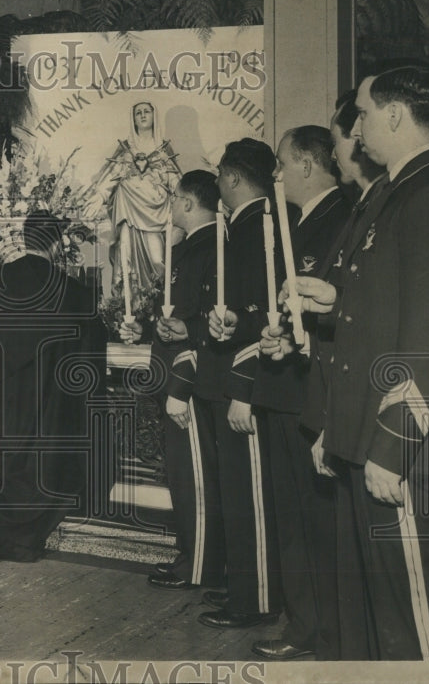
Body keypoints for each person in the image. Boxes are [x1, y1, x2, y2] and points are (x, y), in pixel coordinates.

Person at [287, 65, 429, 660]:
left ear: (395, 115)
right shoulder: (398, 191)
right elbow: (388, 310)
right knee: (381, 615)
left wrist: (392, 447)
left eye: (365, 113)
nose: (358, 125)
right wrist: (335, 298)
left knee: (413, 617)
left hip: (405, 447)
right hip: (371, 436)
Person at [0, 210, 108, 563]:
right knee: (40, 475)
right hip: (45, 407)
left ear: (26, 239)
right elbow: (88, 359)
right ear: (58, 245)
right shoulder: (74, 291)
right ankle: (12, 541)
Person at [244, 126, 351, 660]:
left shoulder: (343, 217)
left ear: (308, 164)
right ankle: (304, 624)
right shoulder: (295, 221)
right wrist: (277, 336)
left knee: (315, 519)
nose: (278, 174)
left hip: (311, 392)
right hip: (283, 385)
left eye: (283, 163)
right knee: (293, 518)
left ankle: (324, 632)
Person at [119, 171, 226, 593]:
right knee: (182, 478)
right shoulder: (188, 247)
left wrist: (184, 332)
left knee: (195, 478)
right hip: (175, 377)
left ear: (187, 202)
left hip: (191, 380)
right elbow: (174, 316)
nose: (171, 205)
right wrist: (146, 330)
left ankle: (200, 565)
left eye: (176, 198)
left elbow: (211, 313)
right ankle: (192, 555)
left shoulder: (214, 246)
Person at [200, 138, 283, 629]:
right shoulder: (243, 227)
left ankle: (258, 598)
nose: (218, 185)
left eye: (219, 177)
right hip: (230, 379)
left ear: (231, 178)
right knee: (237, 492)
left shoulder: (260, 228)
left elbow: (263, 315)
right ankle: (243, 588)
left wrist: (241, 388)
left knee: (250, 495)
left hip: (246, 383)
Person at [90, 102, 182, 297]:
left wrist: (186, 196)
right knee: (126, 259)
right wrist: (99, 195)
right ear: (133, 119)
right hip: (128, 211)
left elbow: (175, 179)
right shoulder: (126, 149)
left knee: (157, 259)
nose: (142, 115)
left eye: (146, 111)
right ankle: (126, 303)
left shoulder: (163, 148)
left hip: (155, 212)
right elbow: (111, 176)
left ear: (153, 115)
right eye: (138, 112)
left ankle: (157, 301)